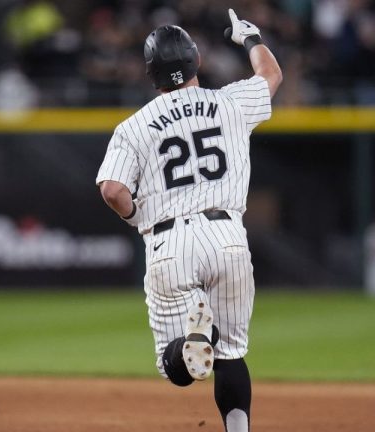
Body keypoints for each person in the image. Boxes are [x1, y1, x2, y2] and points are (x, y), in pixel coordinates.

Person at [95, 9, 281, 432]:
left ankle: (193, 341)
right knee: (231, 353)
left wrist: (136, 215)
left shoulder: (135, 127)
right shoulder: (230, 102)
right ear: (196, 61)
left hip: (170, 241)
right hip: (227, 234)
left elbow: (112, 189)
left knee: (174, 365)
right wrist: (250, 38)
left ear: (151, 73)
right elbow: (271, 75)